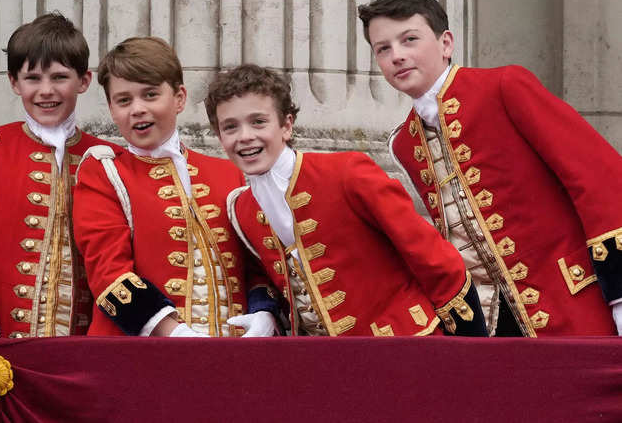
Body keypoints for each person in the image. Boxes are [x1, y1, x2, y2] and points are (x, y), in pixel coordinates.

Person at [358, 0, 622, 336]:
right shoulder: (404, 143)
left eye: (409, 39)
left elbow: (599, 177)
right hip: (492, 330)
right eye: (383, 49)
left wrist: (619, 294)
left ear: (446, 43)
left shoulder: (504, 86)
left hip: (576, 302)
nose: (397, 56)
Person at [204, 64, 487, 337]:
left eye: (258, 122)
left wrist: (469, 352)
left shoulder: (347, 172)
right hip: (327, 366)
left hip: (406, 347)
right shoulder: (242, 209)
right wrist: (265, 312)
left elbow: (436, 260)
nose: (245, 136)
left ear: (286, 125)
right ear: (219, 136)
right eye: (230, 127)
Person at [72, 37, 278, 337]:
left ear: (179, 98)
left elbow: (257, 265)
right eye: (124, 100)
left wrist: (264, 312)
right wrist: (176, 334)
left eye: (151, 94)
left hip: (231, 355)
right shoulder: (102, 173)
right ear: (111, 109)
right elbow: (108, 272)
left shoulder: (228, 172)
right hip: (138, 358)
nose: (137, 109)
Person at [0, 12, 113, 338]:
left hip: (87, 353)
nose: (46, 91)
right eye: (33, 78)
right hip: (2, 345)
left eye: (60, 77)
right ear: (14, 83)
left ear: (84, 80)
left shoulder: (106, 158)